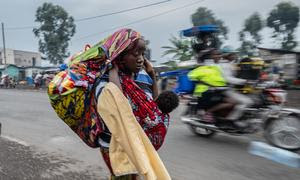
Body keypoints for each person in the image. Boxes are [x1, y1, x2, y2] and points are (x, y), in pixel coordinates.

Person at [71, 29, 177, 179]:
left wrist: (152, 75)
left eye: (142, 54)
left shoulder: (143, 77)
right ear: (120, 56)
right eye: (135, 54)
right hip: (115, 145)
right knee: (123, 176)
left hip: (137, 143)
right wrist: (113, 74)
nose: (140, 59)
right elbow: (119, 109)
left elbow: (154, 108)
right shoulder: (104, 81)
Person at [188, 48, 236, 123]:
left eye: (219, 54)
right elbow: (192, 77)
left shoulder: (218, 66)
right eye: (215, 54)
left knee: (232, 102)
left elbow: (222, 78)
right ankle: (208, 112)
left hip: (217, 91)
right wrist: (208, 84)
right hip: (204, 92)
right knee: (230, 102)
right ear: (210, 56)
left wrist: (226, 85)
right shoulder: (203, 67)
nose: (218, 56)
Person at [219, 47, 253, 122]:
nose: (235, 56)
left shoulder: (230, 64)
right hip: (226, 89)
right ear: (227, 55)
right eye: (233, 54)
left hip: (231, 88)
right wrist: (244, 81)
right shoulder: (224, 65)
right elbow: (228, 79)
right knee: (247, 101)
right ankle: (231, 120)